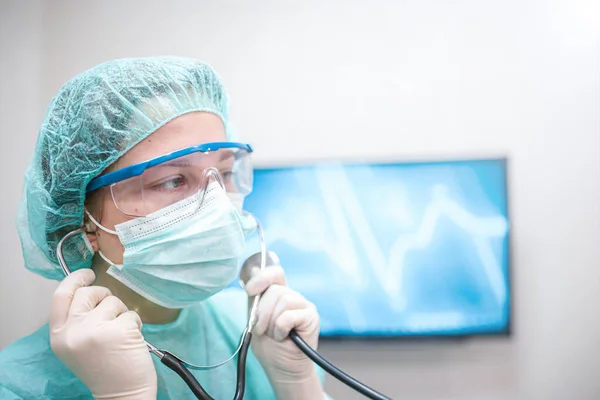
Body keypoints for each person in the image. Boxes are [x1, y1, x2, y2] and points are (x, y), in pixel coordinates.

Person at [0, 56, 330, 399]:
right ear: (84, 218)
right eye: (173, 180)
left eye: (227, 174)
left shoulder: (256, 328)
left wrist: (298, 386)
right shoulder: (18, 386)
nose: (217, 204)